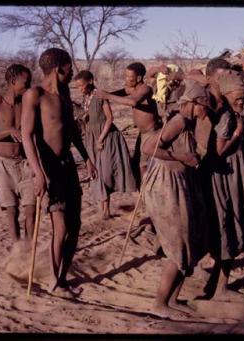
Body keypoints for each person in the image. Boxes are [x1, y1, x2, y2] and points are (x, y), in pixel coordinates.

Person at [21, 47, 98, 297]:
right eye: (69, 67)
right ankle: (57, 282)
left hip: (67, 167)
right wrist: (38, 173)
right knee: (61, 227)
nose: (72, 71)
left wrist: (86, 157)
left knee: (75, 225)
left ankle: (62, 276)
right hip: (48, 168)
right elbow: (27, 136)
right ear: (59, 68)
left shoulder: (64, 92)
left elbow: (72, 130)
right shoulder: (35, 95)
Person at [142, 80, 209, 319]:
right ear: (193, 103)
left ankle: (173, 298)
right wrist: (180, 156)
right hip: (165, 186)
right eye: (204, 106)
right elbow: (149, 147)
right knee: (177, 244)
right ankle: (160, 303)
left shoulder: (188, 122)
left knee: (189, 240)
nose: (205, 111)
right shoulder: (178, 121)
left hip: (180, 183)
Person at [203, 71, 244, 300]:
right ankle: (221, 288)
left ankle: (215, 284)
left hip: (227, 176)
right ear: (227, 95)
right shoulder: (228, 117)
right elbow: (218, 151)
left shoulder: (224, 112)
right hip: (228, 177)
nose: (243, 101)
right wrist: (238, 134)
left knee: (227, 225)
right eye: (238, 97)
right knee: (230, 224)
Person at [74, 70, 136, 220]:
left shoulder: (100, 96)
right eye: (77, 87)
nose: (80, 89)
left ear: (90, 81)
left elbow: (109, 118)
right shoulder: (85, 98)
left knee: (105, 172)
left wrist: (101, 139)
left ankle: (106, 208)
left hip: (106, 138)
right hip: (91, 138)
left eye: (81, 86)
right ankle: (104, 208)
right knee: (96, 172)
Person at [0, 64, 36, 244]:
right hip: (3, 165)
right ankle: (17, 250)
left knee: (31, 209)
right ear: (13, 81)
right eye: (26, 82)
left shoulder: (28, 101)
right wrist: (9, 131)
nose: (28, 86)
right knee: (11, 210)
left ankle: (29, 250)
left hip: (25, 163)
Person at [95, 62, 160, 187]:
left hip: (151, 133)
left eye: (128, 77)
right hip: (142, 134)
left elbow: (133, 102)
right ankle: (143, 192)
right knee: (137, 163)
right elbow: (122, 92)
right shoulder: (132, 89)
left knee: (144, 165)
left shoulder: (145, 89)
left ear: (139, 78)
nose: (126, 79)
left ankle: (146, 194)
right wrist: (105, 95)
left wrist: (108, 95)